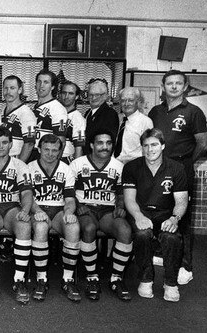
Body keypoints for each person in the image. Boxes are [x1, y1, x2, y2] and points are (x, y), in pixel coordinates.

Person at [148, 70, 207, 285]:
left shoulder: (194, 112)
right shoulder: (155, 111)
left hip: (181, 169)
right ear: (163, 86)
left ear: (185, 86)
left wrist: (185, 163)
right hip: (157, 169)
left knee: (181, 217)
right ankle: (162, 253)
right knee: (158, 211)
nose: (173, 87)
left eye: (178, 83)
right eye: (169, 83)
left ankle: (185, 265)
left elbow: (203, 143)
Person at [123, 128, 187, 302]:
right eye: (146, 146)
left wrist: (175, 218)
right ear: (142, 148)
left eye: (154, 145)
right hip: (141, 211)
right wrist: (138, 216)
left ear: (163, 146)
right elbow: (129, 199)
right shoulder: (131, 167)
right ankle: (146, 278)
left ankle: (171, 282)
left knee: (171, 237)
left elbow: (181, 201)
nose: (150, 150)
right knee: (142, 234)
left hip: (166, 213)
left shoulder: (177, 168)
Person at [70, 128, 133, 301]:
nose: (104, 147)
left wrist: (120, 206)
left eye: (108, 143)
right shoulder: (78, 164)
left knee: (125, 230)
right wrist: (77, 205)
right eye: (100, 143)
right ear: (91, 145)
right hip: (86, 208)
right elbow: (68, 191)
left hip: (107, 210)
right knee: (89, 228)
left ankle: (116, 278)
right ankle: (92, 277)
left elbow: (121, 193)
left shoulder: (118, 166)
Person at [0, 126, 34, 305]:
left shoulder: (20, 165)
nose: (0, 146)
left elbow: (26, 194)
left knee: (24, 226)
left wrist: (25, 211)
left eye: (4, 143)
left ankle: (19, 279)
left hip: (11, 208)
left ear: (11, 144)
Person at [27, 134, 81, 302]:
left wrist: (69, 213)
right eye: (46, 150)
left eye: (54, 151)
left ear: (59, 152)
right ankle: (41, 279)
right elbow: (26, 197)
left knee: (73, 228)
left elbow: (70, 199)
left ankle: (68, 279)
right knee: (41, 227)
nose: (50, 154)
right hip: (36, 209)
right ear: (39, 149)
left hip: (58, 209)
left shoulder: (66, 169)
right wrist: (37, 210)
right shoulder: (29, 167)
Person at [30, 70, 68, 162]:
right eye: (39, 81)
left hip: (46, 157)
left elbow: (61, 141)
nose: (41, 85)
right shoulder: (33, 107)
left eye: (46, 82)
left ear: (52, 87)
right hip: (32, 154)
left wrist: (54, 163)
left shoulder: (57, 108)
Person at [0, 75, 37, 162]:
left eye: (12, 88)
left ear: (20, 90)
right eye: (5, 88)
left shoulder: (26, 113)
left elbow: (29, 143)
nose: (8, 92)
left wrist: (19, 165)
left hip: (16, 160)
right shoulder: (2, 109)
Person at [115, 87, 153, 163]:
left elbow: (149, 149)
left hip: (135, 166)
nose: (126, 104)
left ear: (138, 102)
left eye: (131, 100)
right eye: (123, 100)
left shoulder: (145, 121)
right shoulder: (118, 119)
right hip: (115, 164)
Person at [84, 78, 119, 153]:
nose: (93, 98)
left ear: (105, 96)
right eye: (91, 94)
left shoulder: (110, 114)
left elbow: (108, 142)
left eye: (97, 95)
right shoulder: (88, 113)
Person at [58, 81, 86, 162]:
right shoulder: (55, 114)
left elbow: (79, 148)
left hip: (66, 161)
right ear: (60, 94)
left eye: (71, 93)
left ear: (76, 96)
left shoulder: (78, 118)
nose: (66, 96)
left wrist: (76, 169)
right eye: (64, 93)